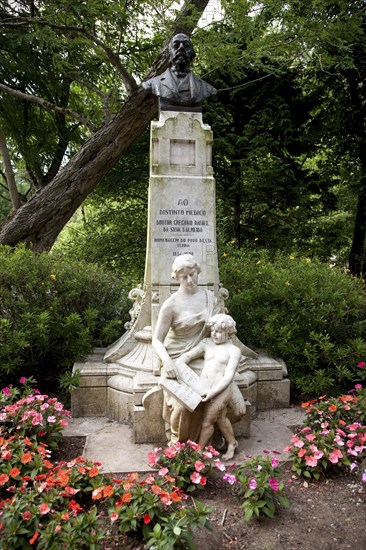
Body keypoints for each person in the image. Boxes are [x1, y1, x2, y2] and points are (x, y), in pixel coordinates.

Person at [152, 254, 220, 443]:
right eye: (184, 277)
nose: (190, 280)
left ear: (198, 272)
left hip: (200, 357)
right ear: (177, 278)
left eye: (192, 274)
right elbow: (156, 340)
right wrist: (167, 362)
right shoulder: (170, 305)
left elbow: (218, 331)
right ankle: (177, 444)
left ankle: (205, 443)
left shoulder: (209, 298)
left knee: (214, 396)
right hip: (176, 360)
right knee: (182, 405)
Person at [176, 314, 242, 460]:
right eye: (212, 330)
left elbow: (228, 376)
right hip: (204, 387)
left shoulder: (234, 351)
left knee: (208, 421)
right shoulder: (207, 343)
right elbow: (187, 356)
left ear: (228, 332)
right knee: (221, 418)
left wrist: (212, 392)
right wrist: (180, 362)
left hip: (222, 389)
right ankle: (232, 442)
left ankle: (199, 450)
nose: (214, 334)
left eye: (218, 332)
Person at [142, 33, 217, 110]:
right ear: (168, 54)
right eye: (176, 45)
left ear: (192, 54)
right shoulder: (153, 83)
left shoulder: (206, 88)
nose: (181, 48)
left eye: (186, 46)